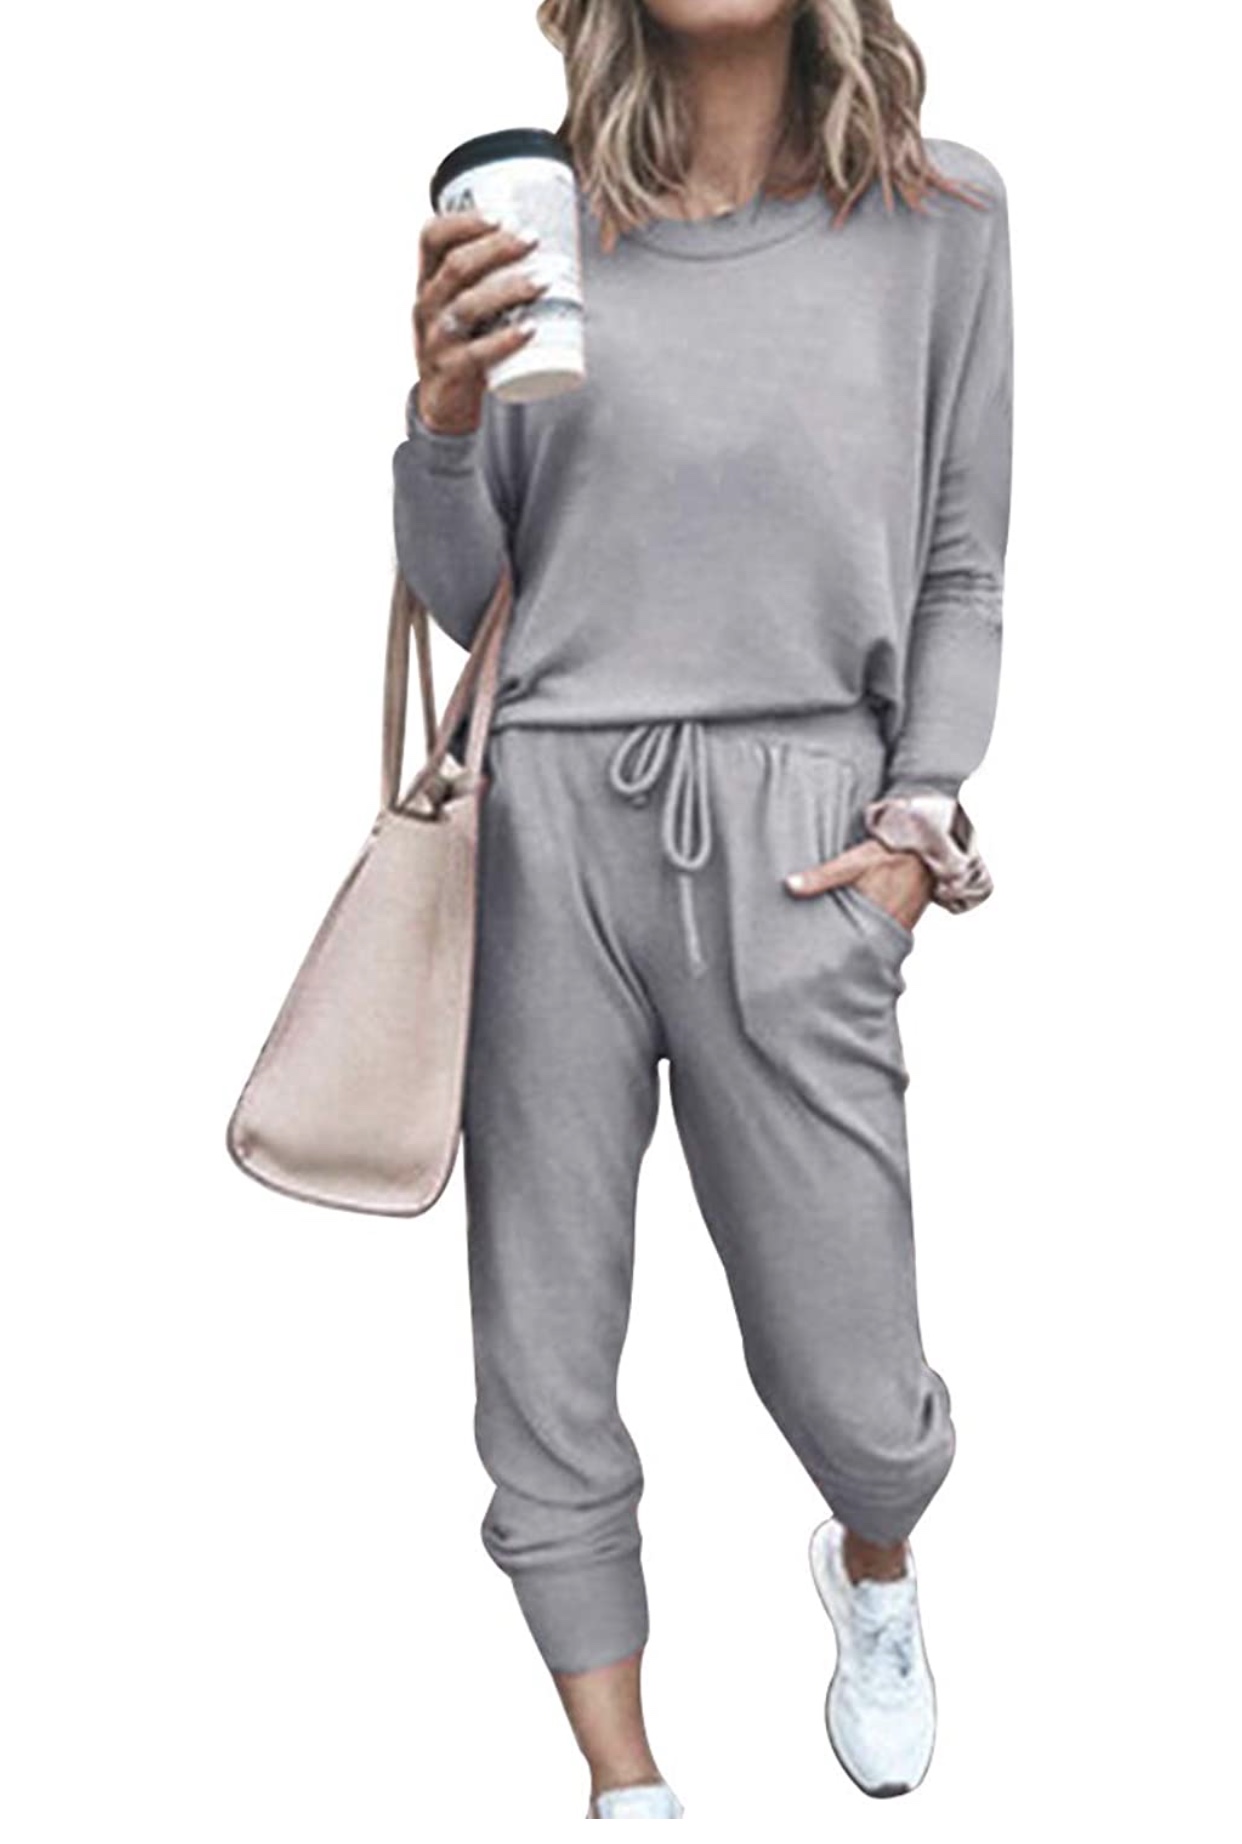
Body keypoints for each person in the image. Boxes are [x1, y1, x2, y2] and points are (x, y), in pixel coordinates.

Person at [392, 0, 1013, 1820]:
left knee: (857, 1379)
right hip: (547, 821)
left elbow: (961, 562)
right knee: (541, 1349)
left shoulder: (941, 219)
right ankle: (626, 1787)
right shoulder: (529, 212)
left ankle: (873, 1557)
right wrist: (440, 422)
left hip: (804, 834)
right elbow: (466, 598)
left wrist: (911, 825)